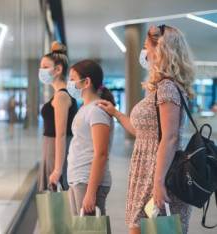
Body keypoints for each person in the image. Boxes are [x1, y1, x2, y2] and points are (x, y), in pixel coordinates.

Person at [98, 25, 195, 234]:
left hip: (158, 173)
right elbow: (142, 132)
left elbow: (169, 138)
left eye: (145, 47)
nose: (143, 52)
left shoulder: (168, 87)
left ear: (159, 50)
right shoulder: (162, 87)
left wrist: (158, 183)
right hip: (148, 171)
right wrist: (115, 113)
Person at [67, 59, 115, 215]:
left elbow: (101, 153)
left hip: (88, 181)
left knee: (91, 228)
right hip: (78, 178)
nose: (70, 83)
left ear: (86, 82)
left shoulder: (97, 111)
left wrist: (91, 192)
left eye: (73, 79)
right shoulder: (85, 108)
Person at [38, 41, 78, 191]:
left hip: (56, 151)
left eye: (45, 67)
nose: (41, 70)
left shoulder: (61, 96)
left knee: (57, 198)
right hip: (51, 149)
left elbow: (60, 135)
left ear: (58, 69)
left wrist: (57, 169)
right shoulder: (59, 95)